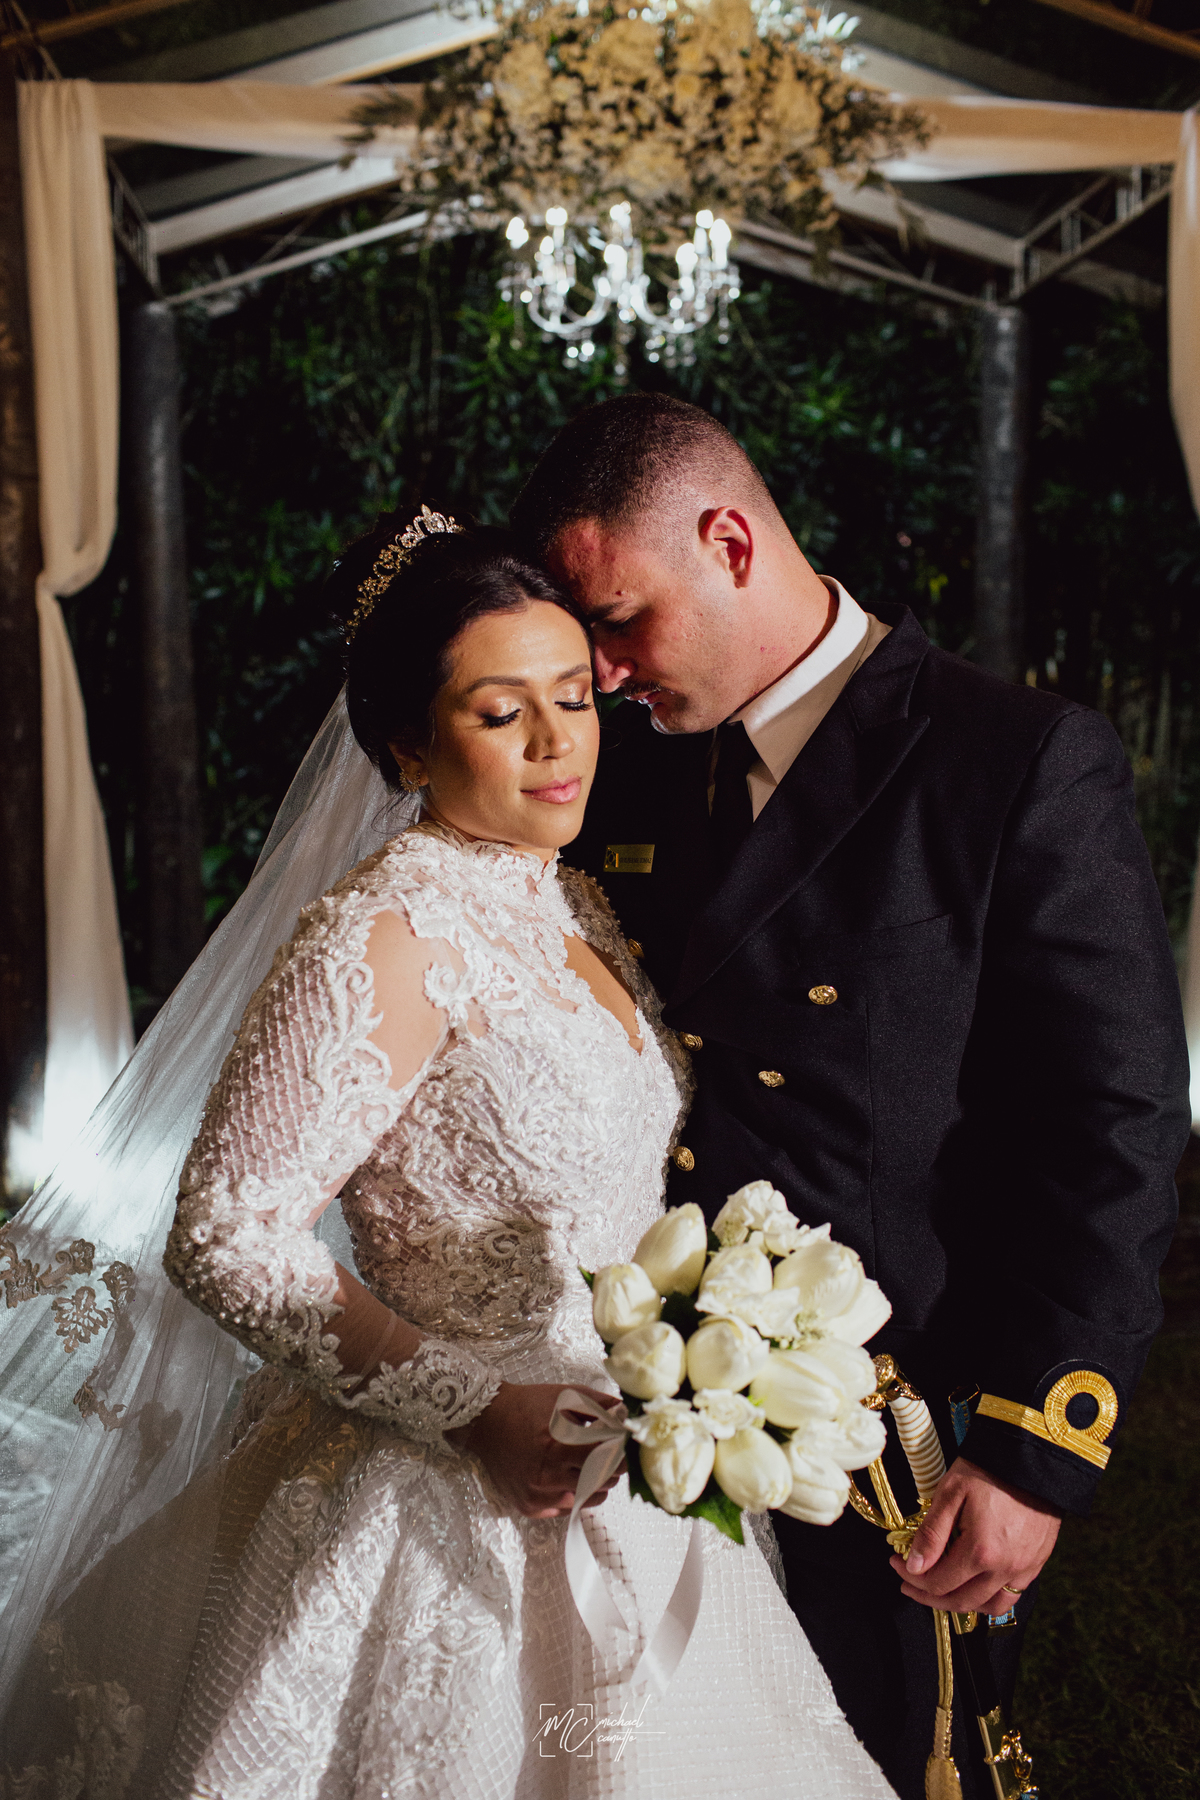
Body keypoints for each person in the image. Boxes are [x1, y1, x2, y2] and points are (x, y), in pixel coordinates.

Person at [0, 513, 896, 1800]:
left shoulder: (567, 896)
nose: (556, 742)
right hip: (448, 1483)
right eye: (500, 712)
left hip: (629, 1449)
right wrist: (476, 1409)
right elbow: (227, 1232)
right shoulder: (386, 932)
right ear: (409, 746)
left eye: (574, 698)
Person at [510, 392, 1191, 1800]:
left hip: (893, 1427)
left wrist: (1035, 1450)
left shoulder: (1012, 759)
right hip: (642, 1412)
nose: (604, 671)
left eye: (622, 621)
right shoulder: (624, 770)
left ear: (729, 543)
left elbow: (1112, 1128)